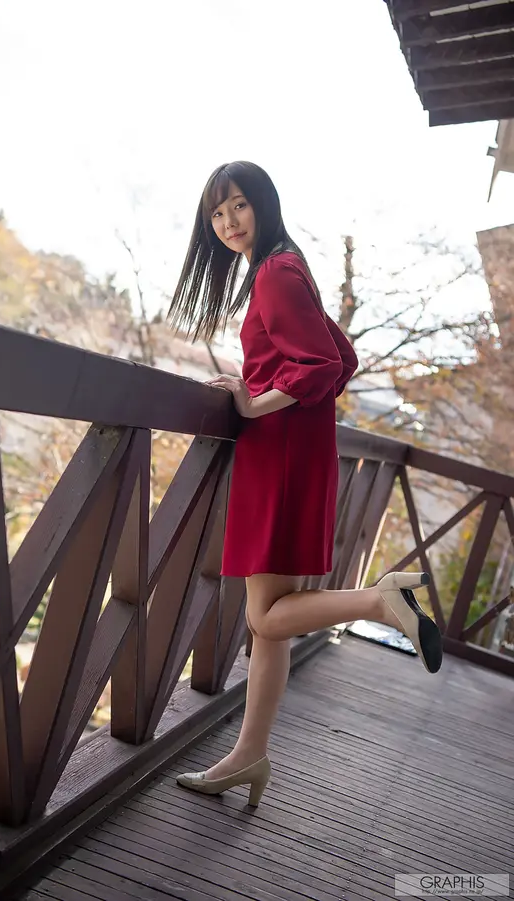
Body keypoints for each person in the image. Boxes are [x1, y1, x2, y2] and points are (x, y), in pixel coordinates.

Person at [168, 161, 443, 808]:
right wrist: (269, 390)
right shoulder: (287, 267)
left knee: (263, 615)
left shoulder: (275, 272)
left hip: (280, 453)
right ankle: (249, 756)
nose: (228, 222)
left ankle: (380, 603)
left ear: (264, 203)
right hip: (299, 450)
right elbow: (342, 357)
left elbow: (319, 364)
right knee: (271, 624)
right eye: (216, 213)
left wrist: (252, 400)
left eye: (238, 205)